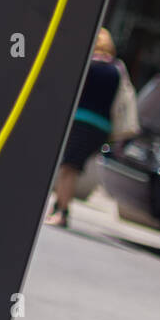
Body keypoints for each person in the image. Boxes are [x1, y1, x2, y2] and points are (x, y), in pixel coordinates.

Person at [46, 28, 136, 228]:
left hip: (81, 122)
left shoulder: (89, 66)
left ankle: (62, 211)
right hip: (101, 128)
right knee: (71, 167)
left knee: (68, 168)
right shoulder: (116, 69)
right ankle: (58, 207)